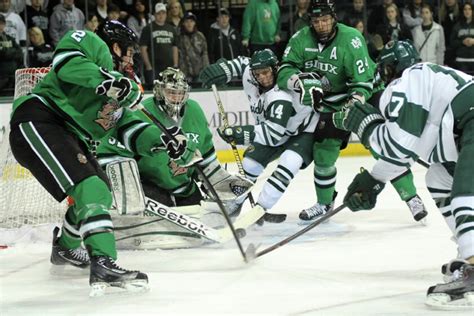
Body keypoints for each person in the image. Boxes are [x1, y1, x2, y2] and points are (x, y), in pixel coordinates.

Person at [8, 20, 195, 295]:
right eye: (129, 52)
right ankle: (104, 262)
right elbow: (67, 63)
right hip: (40, 120)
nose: (131, 59)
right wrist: (108, 82)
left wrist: (164, 141)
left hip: (68, 133)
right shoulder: (91, 44)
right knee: (91, 187)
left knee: (99, 191)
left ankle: (66, 248)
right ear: (115, 46)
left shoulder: (123, 89)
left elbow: (131, 129)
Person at [333, 40, 474, 309]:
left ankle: (473, 265)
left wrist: (366, 127)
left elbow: (401, 143)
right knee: (439, 178)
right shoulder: (428, 82)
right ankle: (469, 254)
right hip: (464, 130)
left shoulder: (409, 79)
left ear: (388, 69)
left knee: (465, 188)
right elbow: (407, 151)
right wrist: (375, 179)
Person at [276, 0, 427, 223]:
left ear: (334, 18)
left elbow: (363, 82)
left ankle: (412, 197)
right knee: (323, 154)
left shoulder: (351, 39)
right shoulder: (300, 39)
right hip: (330, 103)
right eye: (316, 21)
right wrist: (297, 81)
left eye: (326, 20)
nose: (321, 25)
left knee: (382, 149)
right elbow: (284, 70)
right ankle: (324, 203)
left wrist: (352, 106)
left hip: (364, 95)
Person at [96, 67, 252, 212]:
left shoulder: (195, 110)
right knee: (164, 218)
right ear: (159, 91)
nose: (177, 98)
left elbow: (205, 153)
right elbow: (115, 150)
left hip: (184, 187)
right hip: (151, 185)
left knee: (198, 214)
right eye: (171, 92)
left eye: (180, 93)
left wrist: (218, 179)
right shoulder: (141, 112)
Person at [199, 49, 318, 223]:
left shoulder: (281, 94)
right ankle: (233, 204)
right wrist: (224, 70)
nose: (262, 77)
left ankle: (261, 208)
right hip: (274, 128)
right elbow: (243, 64)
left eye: (266, 72)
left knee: (289, 162)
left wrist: (239, 133)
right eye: (258, 73)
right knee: (250, 164)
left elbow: (272, 135)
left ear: (275, 69)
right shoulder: (252, 73)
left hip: (302, 132)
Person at [139, 2, 178, 87]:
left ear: (166, 14)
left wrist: (175, 64)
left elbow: (175, 48)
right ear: (154, 15)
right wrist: (148, 66)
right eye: (158, 13)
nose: (161, 15)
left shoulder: (171, 28)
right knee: (154, 90)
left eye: (163, 13)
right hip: (154, 68)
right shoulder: (148, 28)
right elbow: (143, 49)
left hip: (169, 67)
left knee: (170, 89)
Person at [178, 11, 209, 84]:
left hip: (200, 72)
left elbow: (205, 54)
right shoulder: (179, 37)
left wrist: (206, 71)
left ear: (194, 23)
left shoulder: (200, 36)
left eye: (191, 21)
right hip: (184, 74)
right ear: (183, 23)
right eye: (187, 21)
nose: (189, 24)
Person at [451, 2, 474, 74]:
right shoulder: (457, 26)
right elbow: (452, 42)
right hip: (461, 61)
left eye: (469, 9)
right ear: (462, 11)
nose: (467, 11)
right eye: (465, 9)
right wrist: (462, 42)